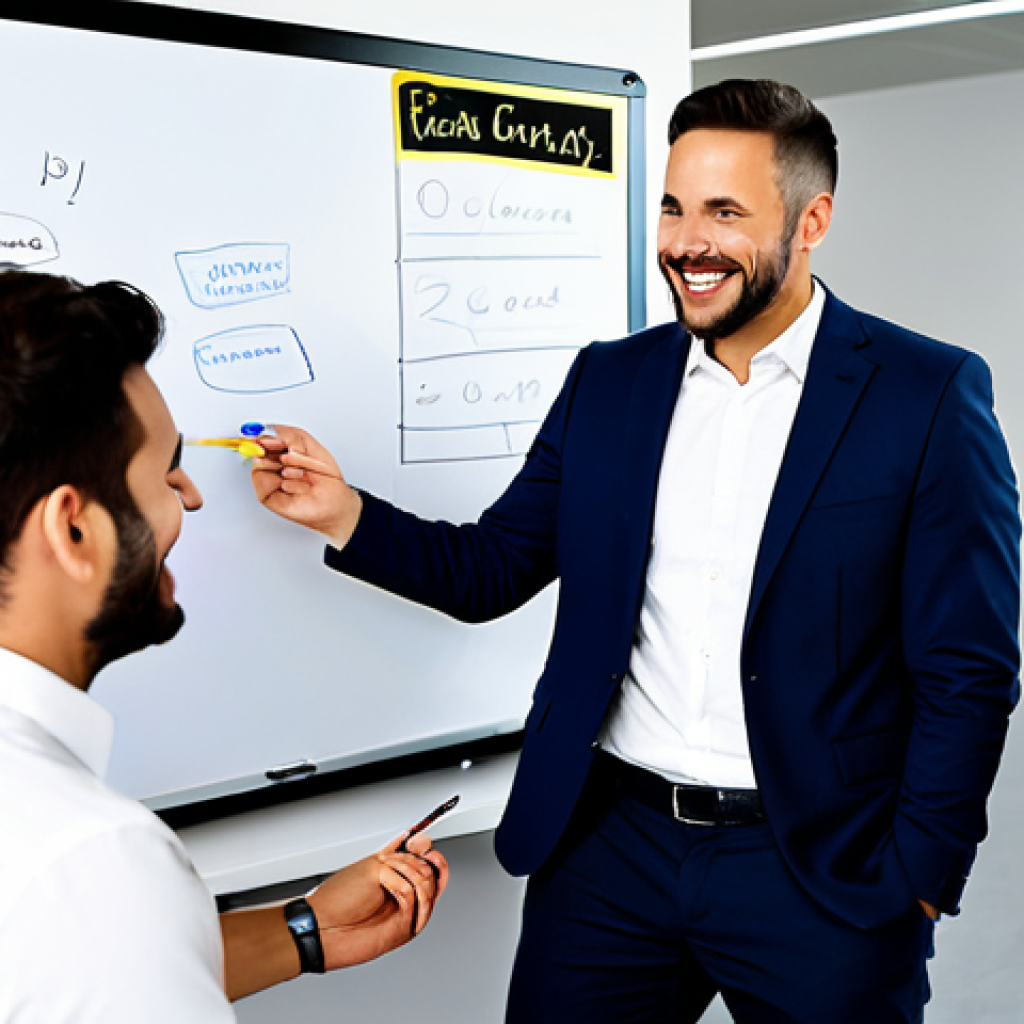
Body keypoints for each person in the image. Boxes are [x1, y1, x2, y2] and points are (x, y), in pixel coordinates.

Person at [251, 79, 1021, 1023]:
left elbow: (969, 670)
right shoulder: (609, 381)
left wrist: (922, 876)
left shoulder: (926, 394)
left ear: (812, 219)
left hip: (820, 867)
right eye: (673, 206)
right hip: (612, 851)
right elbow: (493, 567)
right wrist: (342, 513)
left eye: (724, 212)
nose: (687, 242)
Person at [0, 270, 448, 1022]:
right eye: (163, 472)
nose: (194, 494)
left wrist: (303, 930)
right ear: (72, 531)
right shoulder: (93, 857)